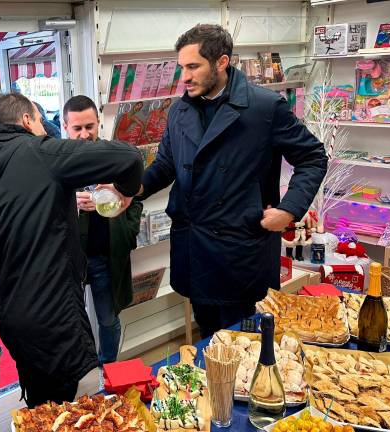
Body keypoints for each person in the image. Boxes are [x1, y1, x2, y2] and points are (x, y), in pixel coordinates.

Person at [139, 24, 328, 338]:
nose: (184, 77)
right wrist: (130, 189)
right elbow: (166, 165)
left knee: (247, 345)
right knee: (210, 342)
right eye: (181, 67)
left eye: (193, 67)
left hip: (240, 251)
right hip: (194, 249)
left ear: (221, 62)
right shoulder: (179, 111)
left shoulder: (264, 107)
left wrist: (289, 210)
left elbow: (313, 157)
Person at [0, 92, 143, 407]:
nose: (46, 130)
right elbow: (129, 157)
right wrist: (124, 193)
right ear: (26, 120)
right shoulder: (38, 151)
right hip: (53, 314)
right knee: (81, 411)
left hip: (10, 314)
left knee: (41, 407)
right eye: (40, 121)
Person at [64, 95, 143, 365]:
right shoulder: (55, 160)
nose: (85, 134)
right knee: (70, 319)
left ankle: (108, 368)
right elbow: (42, 204)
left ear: (99, 123)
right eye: (78, 129)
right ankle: (81, 369)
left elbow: (136, 196)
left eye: (90, 126)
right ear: (66, 128)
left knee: (108, 319)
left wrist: (129, 230)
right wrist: (69, 204)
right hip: (70, 257)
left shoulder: (117, 156)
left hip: (106, 254)